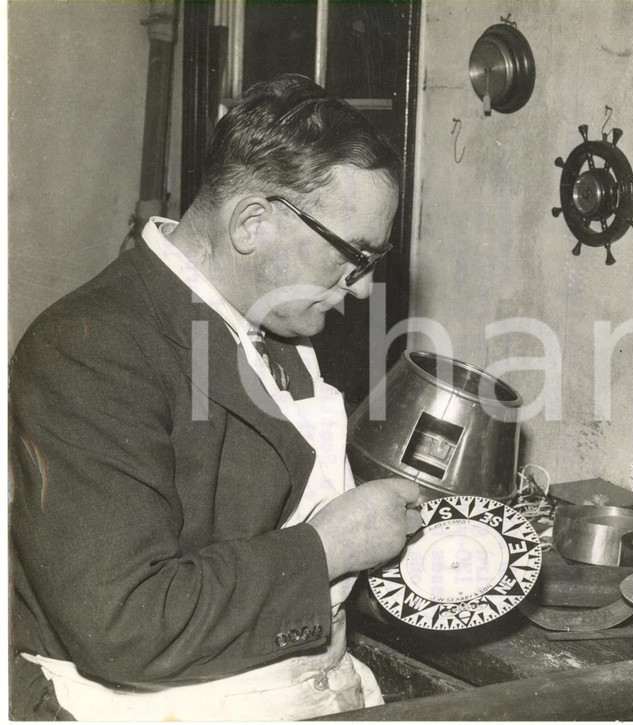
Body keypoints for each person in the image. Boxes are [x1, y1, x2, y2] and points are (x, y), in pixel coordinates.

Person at [9, 74, 423, 720]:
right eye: (353, 254)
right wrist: (328, 549)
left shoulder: (270, 317)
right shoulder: (88, 349)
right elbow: (126, 626)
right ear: (252, 223)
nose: (362, 287)